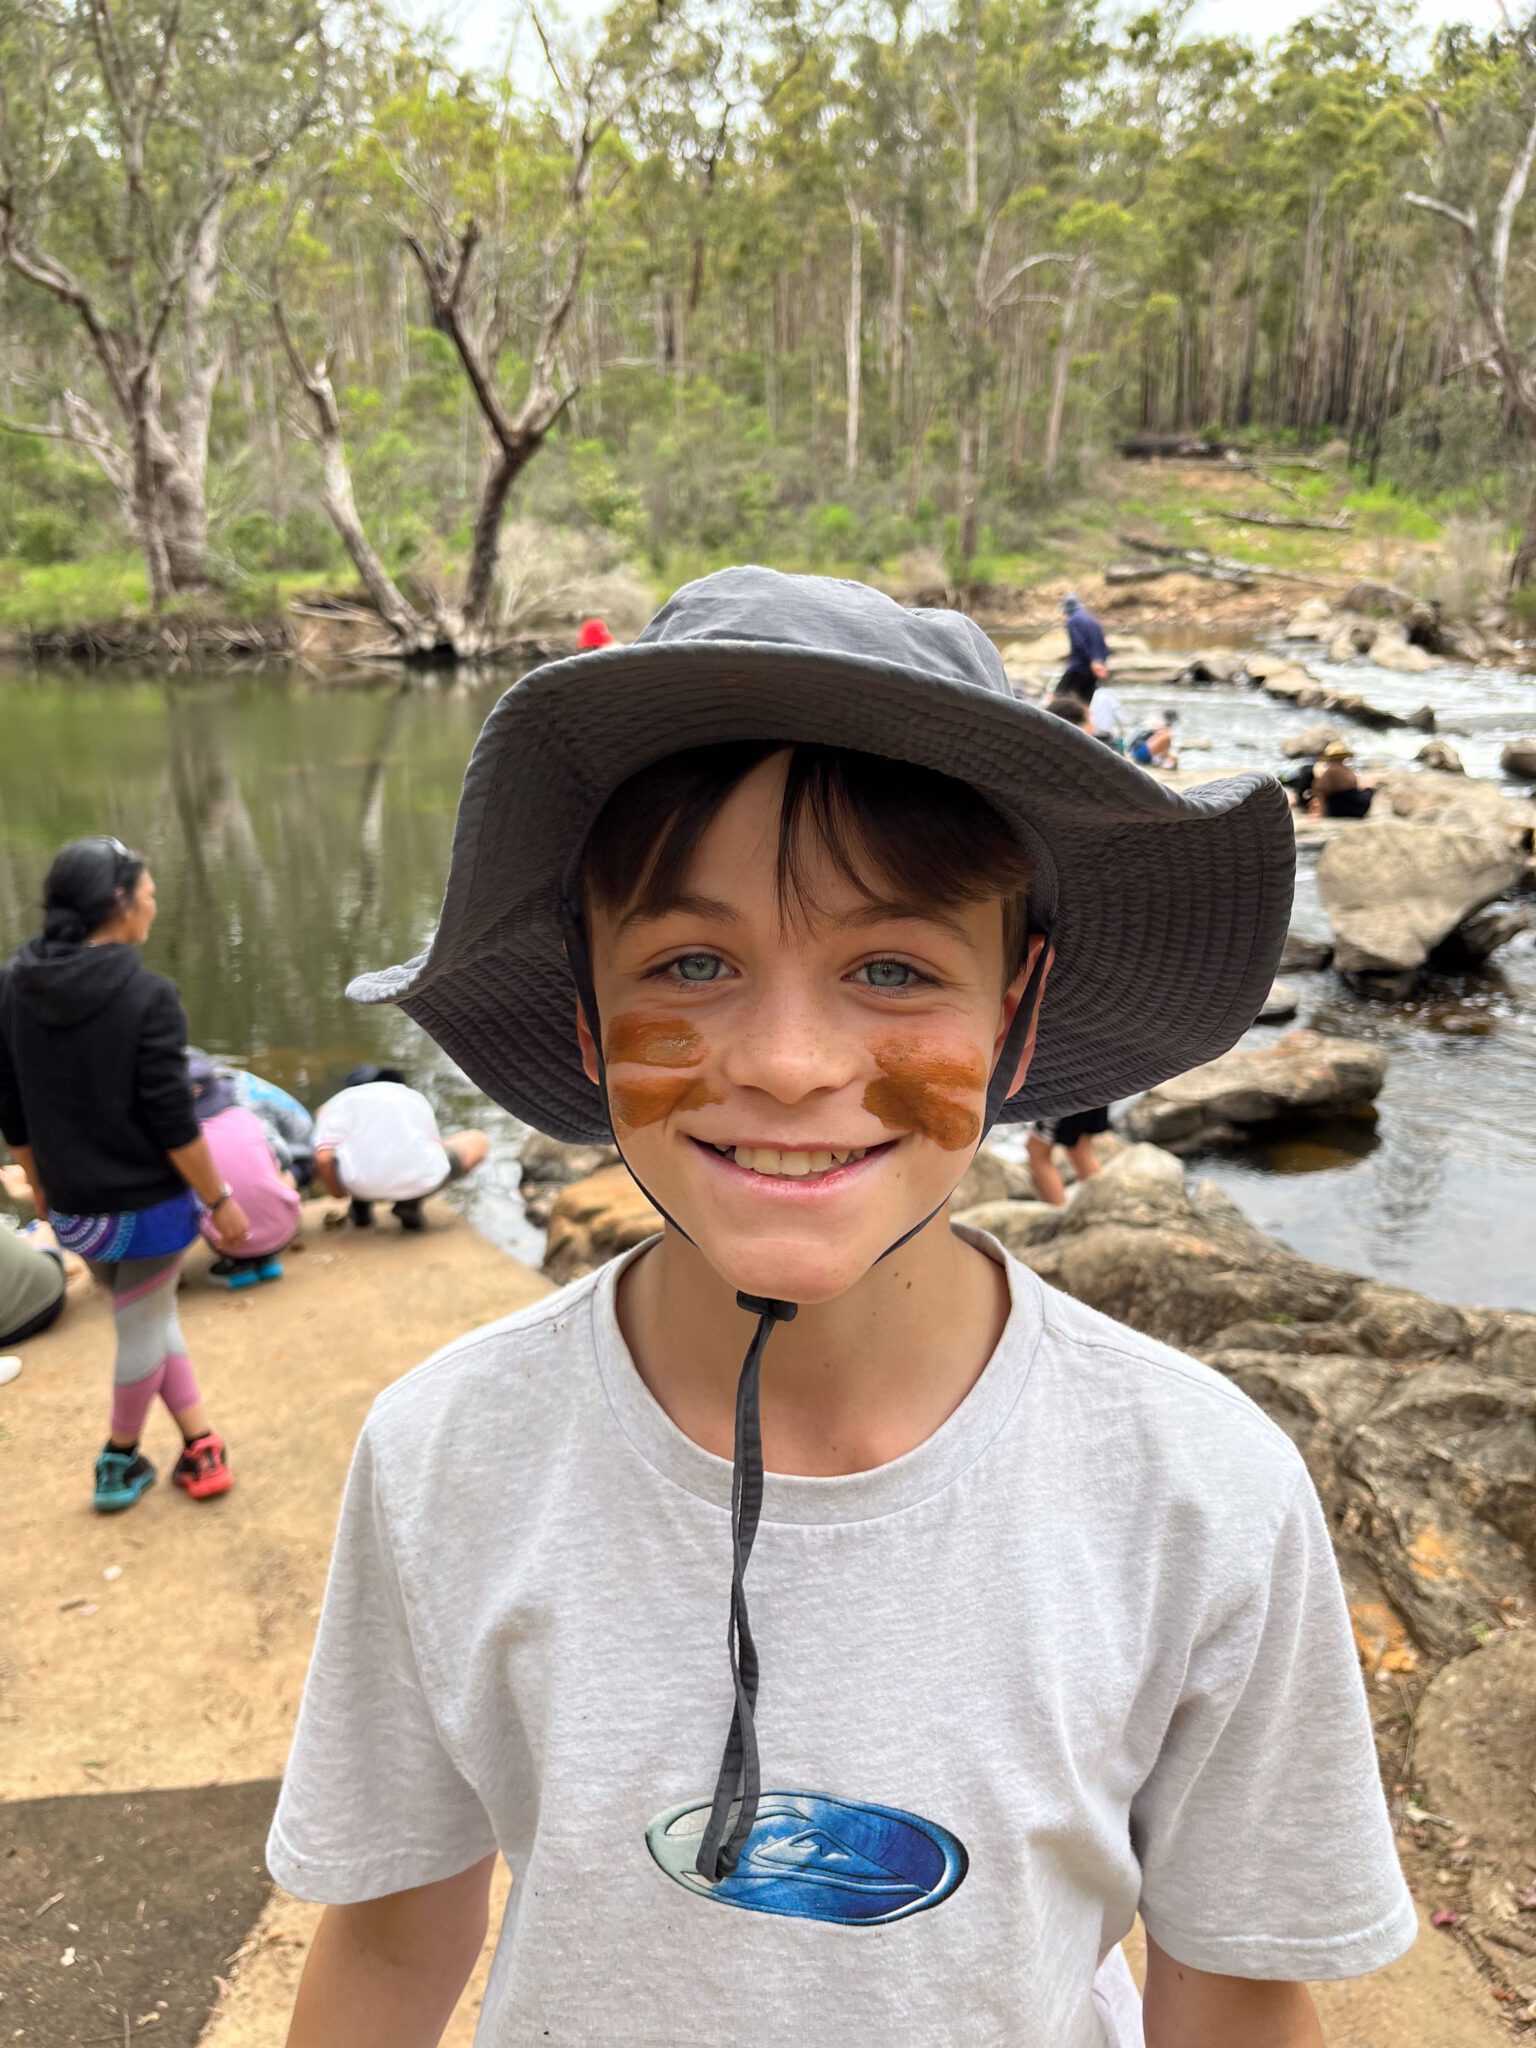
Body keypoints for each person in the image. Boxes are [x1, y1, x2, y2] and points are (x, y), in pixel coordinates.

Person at [270, 571, 1413, 2047]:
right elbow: (386, 1945)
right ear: (584, 1012)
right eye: (692, 963)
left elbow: (1236, 2002)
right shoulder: (446, 1455)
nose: (791, 1061)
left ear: (1018, 1011)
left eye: (893, 968)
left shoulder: (1199, 1494)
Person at [0, 837, 245, 1510]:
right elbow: (174, 1122)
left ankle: (200, 1443)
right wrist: (219, 1199)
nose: (154, 905)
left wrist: (40, 1186)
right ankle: (119, 1458)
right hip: (150, 1213)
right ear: (120, 903)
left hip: (76, 1212)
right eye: (149, 894)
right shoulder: (147, 995)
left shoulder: (14, 982)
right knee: (142, 1326)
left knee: (148, 1316)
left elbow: (10, 1105)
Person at [311, 1065, 488, 1231]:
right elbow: (433, 1145)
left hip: (358, 1184)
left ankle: (360, 1205)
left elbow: (323, 1158)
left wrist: (337, 1193)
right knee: (476, 1140)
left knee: (340, 1152)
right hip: (417, 1181)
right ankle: (410, 1203)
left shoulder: (335, 1104)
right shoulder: (413, 1097)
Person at [189, 1055, 302, 1288]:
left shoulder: (184, 1139)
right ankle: (266, 1259)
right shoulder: (246, 1116)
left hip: (228, 1236)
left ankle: (235, 1265)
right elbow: (283, 1156)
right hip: (283, 1229)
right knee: (274, 1169)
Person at [1027, 1106, 1112, 1206]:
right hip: (1093, 1097)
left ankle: (1059, 1209)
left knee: (1036, 1149)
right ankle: (1100, 1207)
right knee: (1080, 1148)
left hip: (1063, 1100)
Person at [1059, 592, 1110, 703]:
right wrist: (1099, 662)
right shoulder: (1093, 621)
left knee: (1060, 699)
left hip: (1079, 668)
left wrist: (1092, 661)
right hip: (1094, 671)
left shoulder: (1073, 620)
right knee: (1084, 704)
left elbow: (1078, 644)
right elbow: (1104, 647)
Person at [1309, 740, 1376, 820]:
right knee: (1368, 791)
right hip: (1344, 807)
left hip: (1338, 807)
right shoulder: (1343, 771)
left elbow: (1319, 789)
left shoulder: (1330, 771)